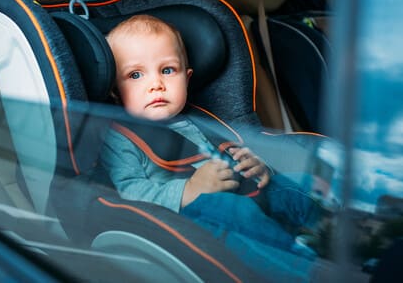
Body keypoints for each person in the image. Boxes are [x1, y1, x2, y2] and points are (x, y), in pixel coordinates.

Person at [99, 14, 324, 280]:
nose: (155, 84)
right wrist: (189, 189)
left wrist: (258, 169)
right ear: (115, 90)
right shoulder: (120, 136)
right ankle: (306, 271)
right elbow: (130, 194)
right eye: (136, 75)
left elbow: (227, 156)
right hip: (188, 217)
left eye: (168, 70)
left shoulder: (200, 120)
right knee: (233, 211)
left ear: (187, 76)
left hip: (242, 193)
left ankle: (333, 242)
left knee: (302, 185)